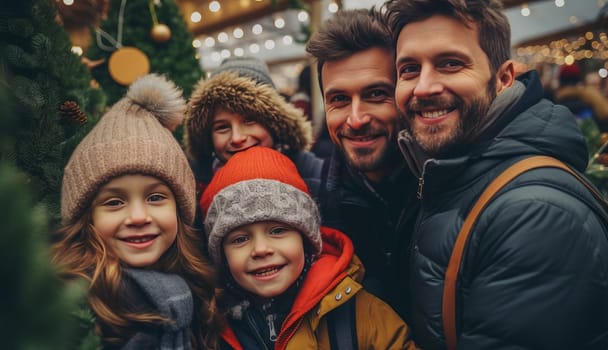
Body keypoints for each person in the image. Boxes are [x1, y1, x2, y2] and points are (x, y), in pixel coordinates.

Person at [385, 0, 608, 349]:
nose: (423, 87)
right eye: (408, 69)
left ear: (504, 78)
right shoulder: (450, 174)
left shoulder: (535, 217)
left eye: (450, 64)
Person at [50, 74, 222, 349]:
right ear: (87, 216)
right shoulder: (72, 307)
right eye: (114, 202)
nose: (139, 217)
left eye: (155, 197)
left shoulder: (195, 292)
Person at [199, 146, 419, 349]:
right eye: (239, 239)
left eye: (277, 231)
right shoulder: (209, 328)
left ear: (306, 240)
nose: (261, 249)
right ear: (222, 255)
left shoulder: (359, 313)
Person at [305, 7, 419, 322]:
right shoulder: (314, 210)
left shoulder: (448, 190)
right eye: (339, 99)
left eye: (376, 94)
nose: (356, 119)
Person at [183, 56, 324, 202]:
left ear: (275, 123)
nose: (237, 138)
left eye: (249, 120)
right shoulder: (193, 182)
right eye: (222, 127)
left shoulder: (313, 172)